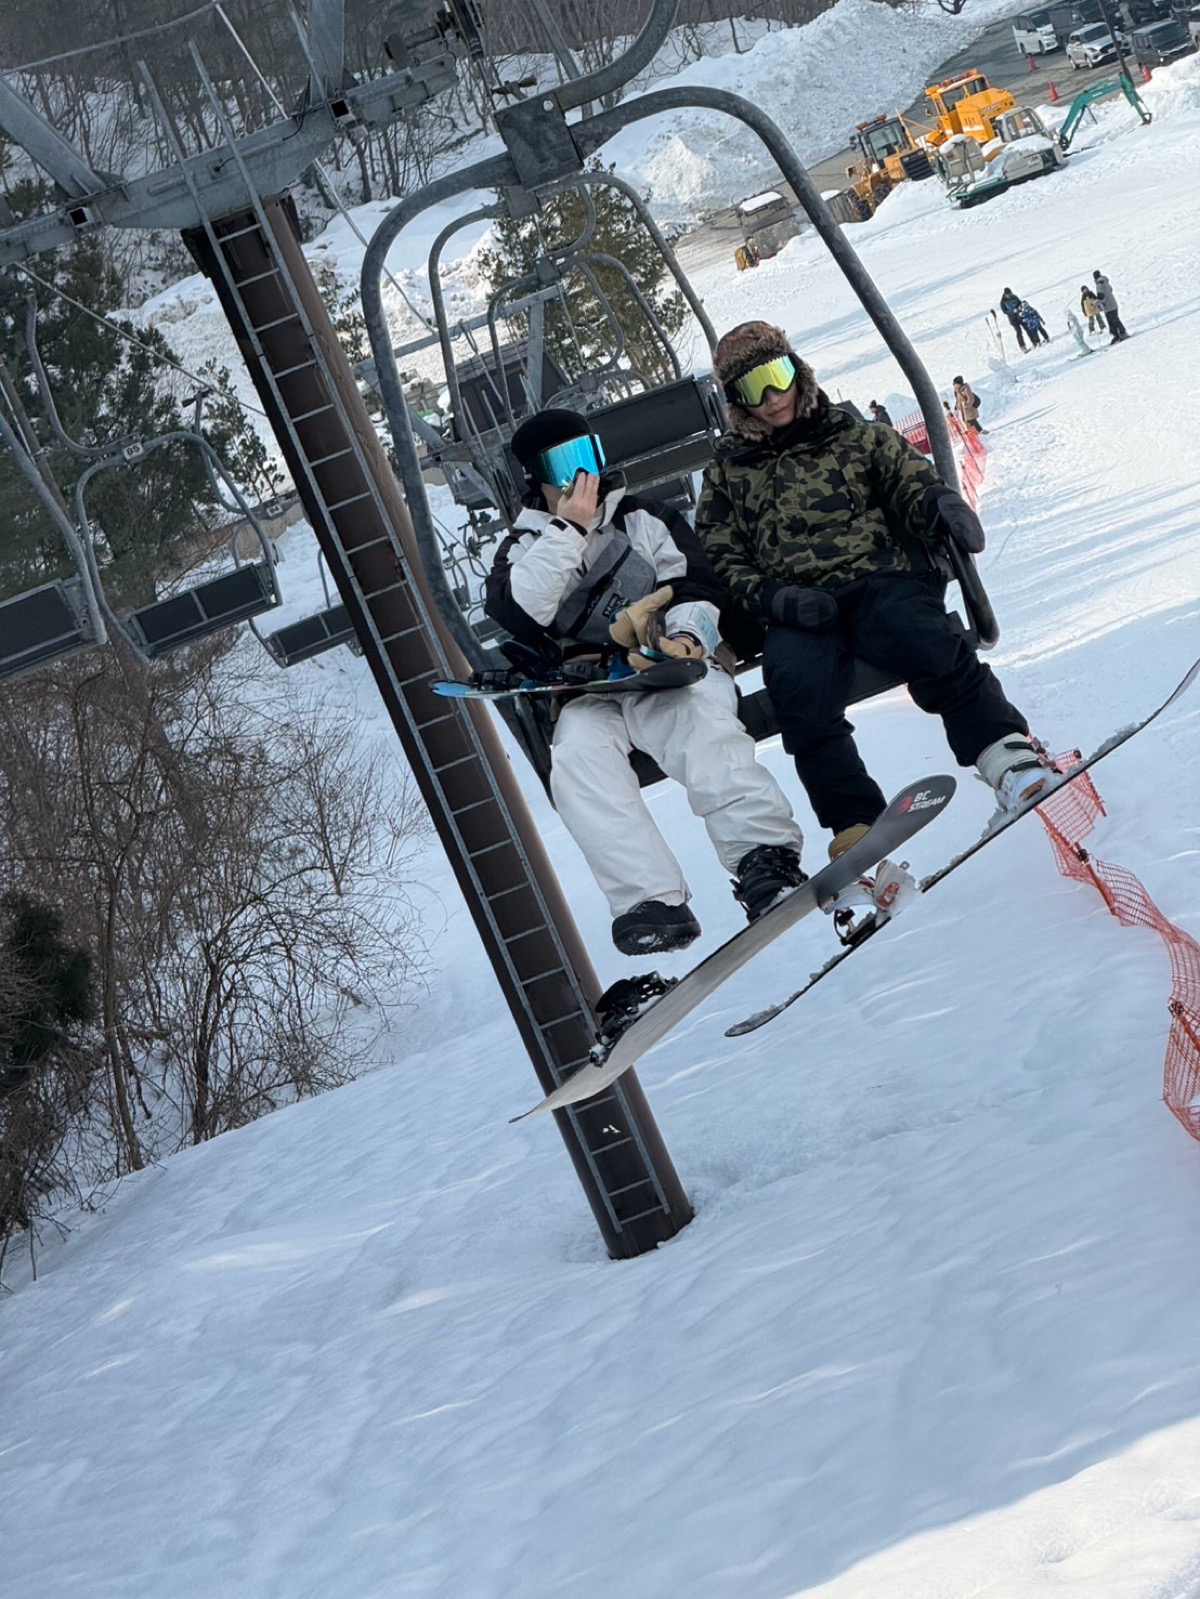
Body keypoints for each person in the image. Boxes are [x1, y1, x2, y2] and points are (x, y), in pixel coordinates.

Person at [695, 322, 1057, 861]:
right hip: (797, 607)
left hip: (878, 577)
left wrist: (939, 506)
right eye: (754, 389)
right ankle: (854, 825)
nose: (773, 399)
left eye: (779, 376)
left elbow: (906, 477)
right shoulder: (729, 472)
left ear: (798, 371)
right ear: (737, 401)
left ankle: (1003, 754)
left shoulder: (851, 433)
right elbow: (721, 555)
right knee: (798, 691)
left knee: (926, 637)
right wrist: (772, 599)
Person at [484, 407, 807, 954]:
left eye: (586, 457)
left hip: (666, 667)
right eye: (562, 465)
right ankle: (649, 900)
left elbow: (696, 586)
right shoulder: (522, 551)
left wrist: (682, 638)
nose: (578, 477)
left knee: (698, 721)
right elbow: (522, 612)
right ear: (532, 477)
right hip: (591, 690)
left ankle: (762, 854)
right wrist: (569, 531)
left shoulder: (643, 519)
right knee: (577, 760)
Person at [1093, 269, 1129, 342]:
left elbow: (1101, 296)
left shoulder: (1099, 284)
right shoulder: (1105, 282)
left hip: (1108, 306)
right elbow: (1110, 289)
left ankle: (1121, 333)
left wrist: (1096, 303)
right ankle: (1118, 334)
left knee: (1113, 321)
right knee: (1114, 320)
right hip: (1112, 304)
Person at [998, 287, 1028, 353]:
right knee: (1019, 332)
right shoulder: (1003, 302)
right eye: (1008, 294)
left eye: (1010, 294)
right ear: (1005, 294)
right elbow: (1005, 311)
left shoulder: (1014, 297)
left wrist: (1019, 308)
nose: (1009, 295)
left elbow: (1020, 303)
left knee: (1027, 328)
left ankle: (1035, 341)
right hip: (1013, 319)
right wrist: (1012, 311)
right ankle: (1022, 346)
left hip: (1020, 316)